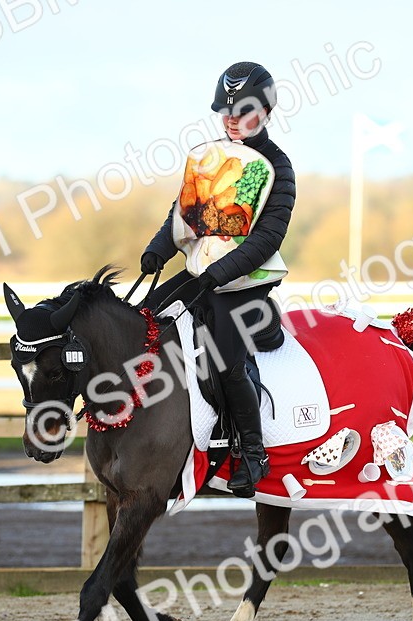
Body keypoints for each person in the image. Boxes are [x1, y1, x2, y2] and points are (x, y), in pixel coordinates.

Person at [139, 61, 296, 498]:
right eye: (224, 110)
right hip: (199, 273)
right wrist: (158, 249)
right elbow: (182, 215)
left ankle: (252, 451)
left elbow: (268, 237)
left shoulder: (278, 166)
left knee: (224, 358)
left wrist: (221, 273)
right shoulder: (208, 158)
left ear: (264, 111)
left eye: (242, 110)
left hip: (245, 283)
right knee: (142, 321)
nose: (230, 118)